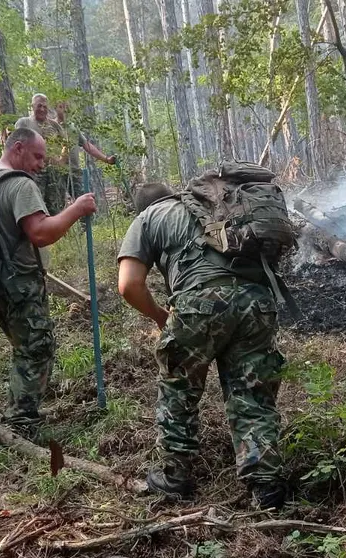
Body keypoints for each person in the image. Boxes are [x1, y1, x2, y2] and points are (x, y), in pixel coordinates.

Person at [117, 183, 287, 508]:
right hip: (257, 303)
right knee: (251, 393)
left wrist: (158, 316)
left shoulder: (149, 217)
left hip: (199, 303)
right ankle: (266, 487)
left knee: (179, 388)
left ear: (143, 208)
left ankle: (173, 478)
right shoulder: (211, 207)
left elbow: (128, 285)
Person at [0, 127, 96, 439]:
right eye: (38, 156)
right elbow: (41, 232)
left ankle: (17, 407)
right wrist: (77, 209)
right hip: (18, 282)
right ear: (18, 148)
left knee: (22, 346)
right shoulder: (19, 185)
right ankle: (22, 422)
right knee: (37, 347)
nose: (42, 163)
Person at [13, 94, 70, 215]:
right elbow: (16, 145)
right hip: (33, 174)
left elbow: (66, 143)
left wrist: (61, 161)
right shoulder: (24, 123)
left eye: (45, 106)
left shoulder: (54, 125)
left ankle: (56, 232)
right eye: (39, 106)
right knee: (35, 208)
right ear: (32, 106)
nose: (42, 109)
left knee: (56, 209)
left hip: (54, 175)